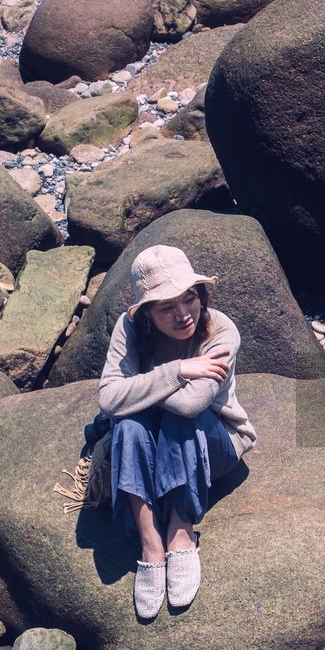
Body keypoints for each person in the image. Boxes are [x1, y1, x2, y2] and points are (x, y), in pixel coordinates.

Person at [97, 245, 256, 619]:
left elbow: (190, 405)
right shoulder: (129, 328)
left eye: (190, 299)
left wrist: (137, 388)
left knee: (173, 418)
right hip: (151, 437)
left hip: (213, 439)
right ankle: (151, 543)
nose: (183, 314)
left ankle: (180, 533)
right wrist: (179, 370)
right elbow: (107, 399)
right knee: (129, 426)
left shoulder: (221, 331)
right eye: (167, 307)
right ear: (148, 313)